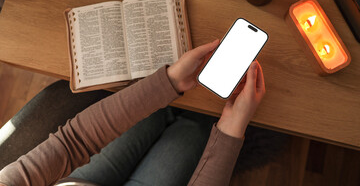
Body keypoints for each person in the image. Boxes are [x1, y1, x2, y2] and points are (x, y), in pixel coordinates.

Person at [0, 39, 266, 186]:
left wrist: (169, 82)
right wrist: (231, 129)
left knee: (154, 115)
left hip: (81, 180)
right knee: (194, 131)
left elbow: (72, 143)